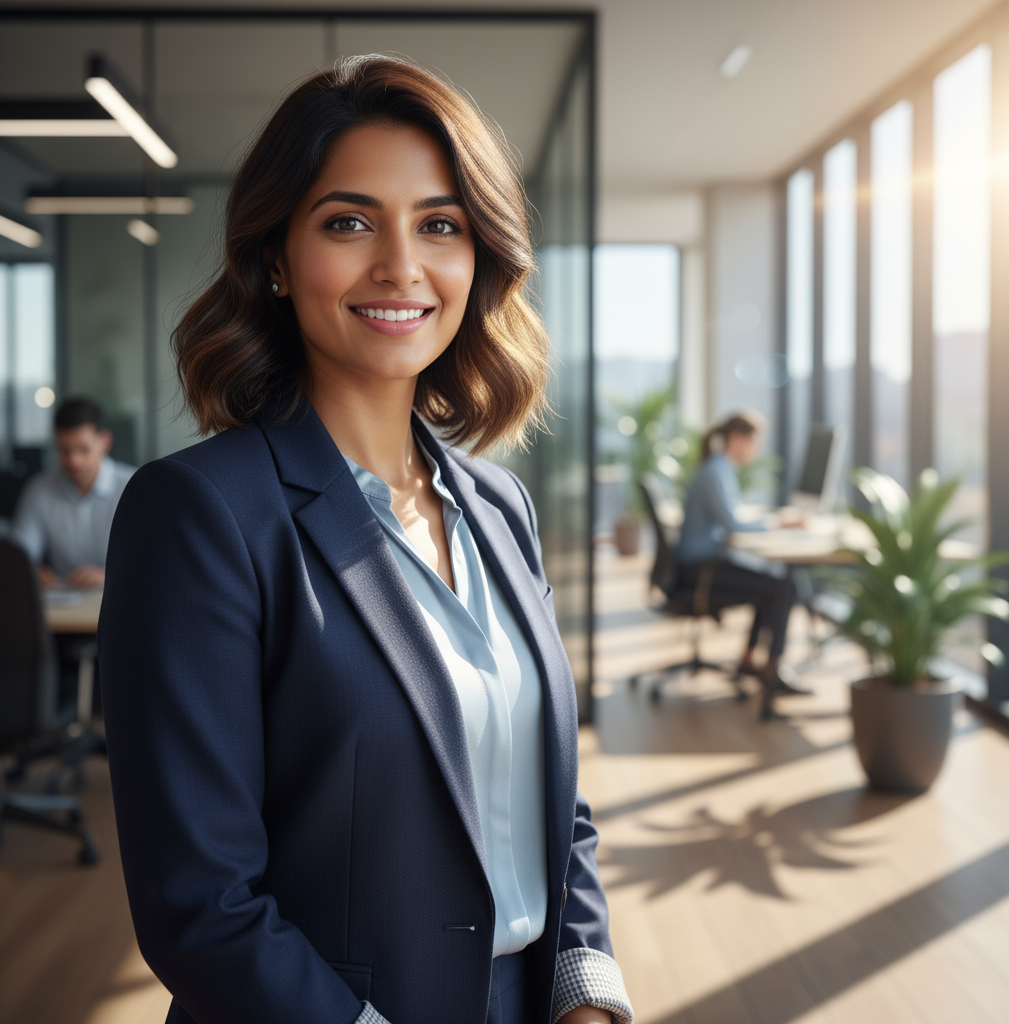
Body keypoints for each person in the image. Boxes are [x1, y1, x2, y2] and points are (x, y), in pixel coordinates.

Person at [98, 57, 632, 1024]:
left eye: (440, 225)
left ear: (479, 258)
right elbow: (201, 905)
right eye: (348, 222)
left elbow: (554, 805)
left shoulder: (501, 506)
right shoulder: (200, 515)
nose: (400, 265)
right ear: (275, 255)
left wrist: (586, 997)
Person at [675, 411, 804, 701]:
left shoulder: (719, 469)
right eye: (754, 443)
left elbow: (731, 517)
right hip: (700, 572)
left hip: (701, 564)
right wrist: (778, 522)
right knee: (784, 587)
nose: (756, 451)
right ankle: (772, 670)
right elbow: (733, 523)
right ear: (736, 439)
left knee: (773, 584)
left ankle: (750, 659)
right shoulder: (716, 471)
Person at [10, 396, 135, 590]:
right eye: (64, 450)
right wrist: (29, 571)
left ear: (105, 441)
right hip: (61, 612)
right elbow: (18, 555)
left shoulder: (133, 486)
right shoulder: (39, 490)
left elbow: (156, 560)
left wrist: (110, 577)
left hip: (121, 602)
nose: (73, 461)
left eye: (83, 450)